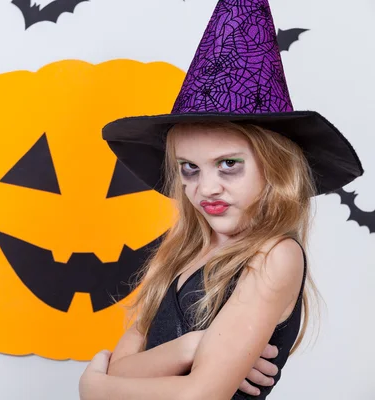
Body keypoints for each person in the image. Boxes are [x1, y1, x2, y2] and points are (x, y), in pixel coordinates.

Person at [78, 0, 363, 399]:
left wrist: (96, 388)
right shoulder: (179, 253)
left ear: (275, 167)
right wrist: (191, 348)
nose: (205, 187)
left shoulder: (274, 256)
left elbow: (199, 395)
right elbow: (123, 365)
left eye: (229, 164)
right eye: (189, 168)